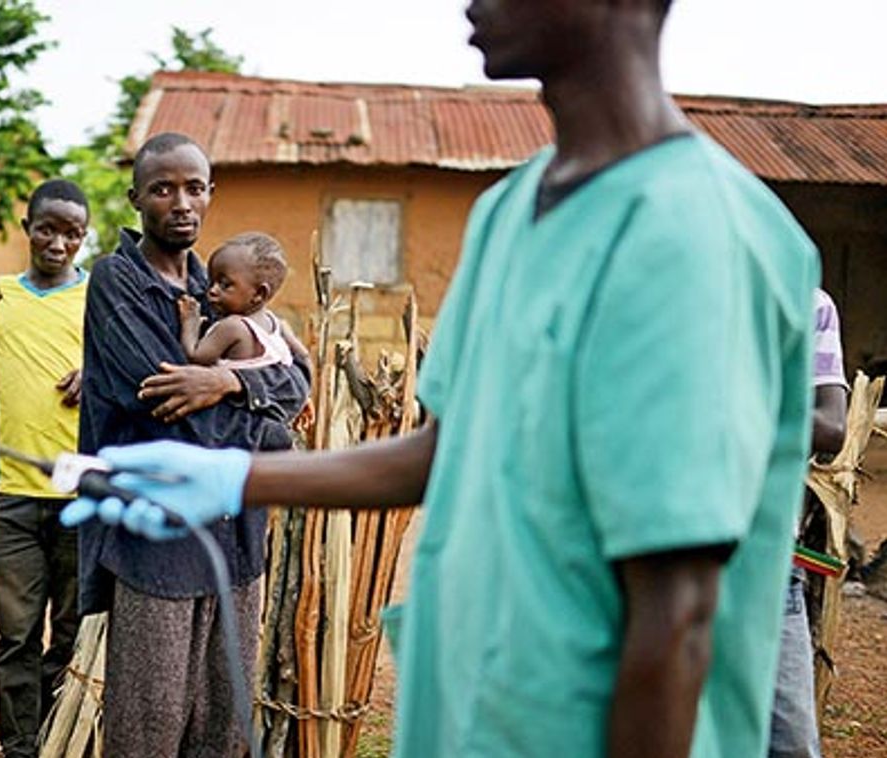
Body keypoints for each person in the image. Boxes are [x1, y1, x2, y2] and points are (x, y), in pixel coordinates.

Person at [63, 2, 821, 756]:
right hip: (475, 715)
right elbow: (444, 449)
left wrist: (234, 409)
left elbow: (678, 607)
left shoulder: (693, 229)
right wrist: (235, 476)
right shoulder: (508, 214)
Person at [77, 132, 310, 756]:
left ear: (211, 194)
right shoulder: (116, 283)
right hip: (159, 538)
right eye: (162, 189)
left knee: (222, 721)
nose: (181, 202)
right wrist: (268, 424)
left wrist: (228, 378)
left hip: (235, 537)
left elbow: (300, 375)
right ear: (135, 199)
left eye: (194, 188)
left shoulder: (226, 284)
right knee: (149, 721)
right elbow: (168, 405)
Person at [0, 179, 89, 758]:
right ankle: (18, 747)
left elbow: (128, 372)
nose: (59, 243)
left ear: (84, 238)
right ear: (27, 228)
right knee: (16, 635)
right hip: (12, 496)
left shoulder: (97, 300)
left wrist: (96, 373)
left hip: (78, 493)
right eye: (48, 228)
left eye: (72, 233)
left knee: (68, 631)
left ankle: (55, 743)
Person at [769, 288, 849, 758]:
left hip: (772, 563)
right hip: (668, 555)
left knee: (791, 744)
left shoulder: (808, 302)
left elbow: (831, 427)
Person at [178, 231, 305, 370]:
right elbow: (303, 355)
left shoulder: (231, 327)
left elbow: (195, 356)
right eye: (211, 282)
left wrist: (190, 322)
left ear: (259, 294)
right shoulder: (274, 323)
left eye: (225, 285)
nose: (212, 291)